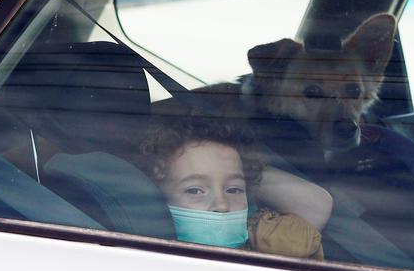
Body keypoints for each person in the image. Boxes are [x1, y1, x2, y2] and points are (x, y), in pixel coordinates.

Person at [140, 111, 331, 259]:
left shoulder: (266, 239)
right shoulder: (143, 263)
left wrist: (248, 169)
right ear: (158, 196)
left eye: (233, 190)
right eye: (195, 190)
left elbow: (317, 206)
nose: (222, 205)